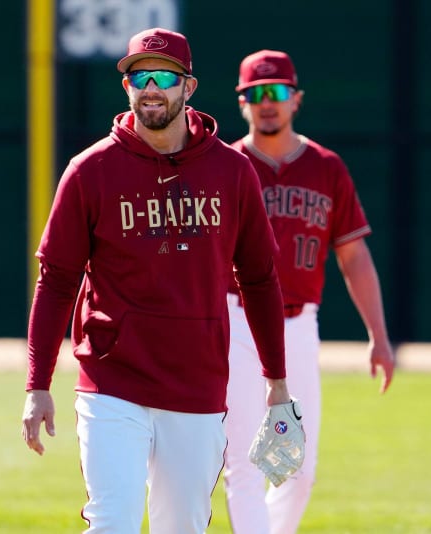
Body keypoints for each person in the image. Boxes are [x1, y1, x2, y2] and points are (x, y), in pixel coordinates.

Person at [21, 30, 298, 534]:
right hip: (112, 382)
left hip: (196, 384)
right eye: (137, 76)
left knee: (183, 528)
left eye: (164, 77)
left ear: (188, 87)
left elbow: (259, 279)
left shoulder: (232, 172)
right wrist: (37, 384)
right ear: (127, 86)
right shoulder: (90, 170)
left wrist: (276, 383)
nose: (150, 88)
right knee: (113, 524)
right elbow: (56, 281)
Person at [223, 49, 396, 534]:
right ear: (243, 103)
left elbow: (354, 256)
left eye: (276, 92)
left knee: (299, 468)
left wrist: (378, 336)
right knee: (244, 464)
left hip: (299, 323)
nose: (267, 103)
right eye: (256, 94)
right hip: (236, 322)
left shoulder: (326, 167)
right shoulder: (226, 166)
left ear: (296, 99)